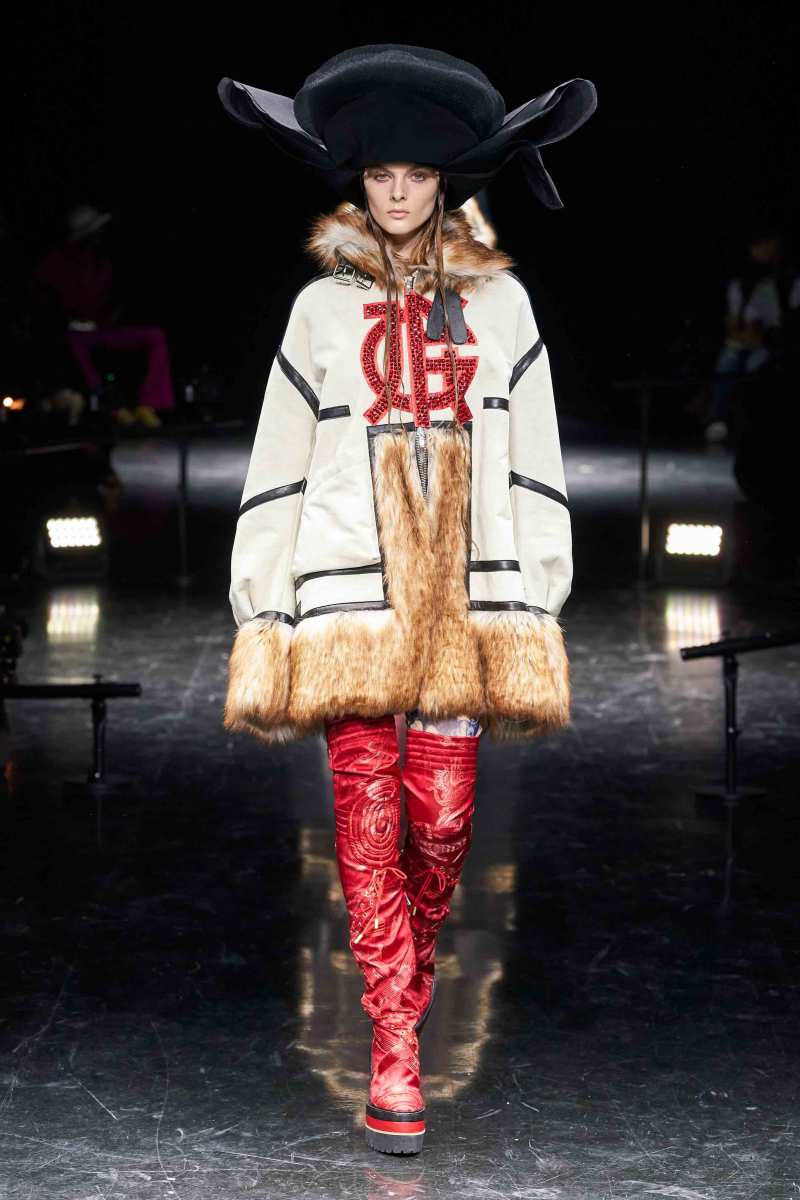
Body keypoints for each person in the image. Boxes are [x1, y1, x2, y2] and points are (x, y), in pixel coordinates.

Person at [218, 45, 597, 1155]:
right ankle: (393, 1041)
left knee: (440, 822)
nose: (394, 193)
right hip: (347, 595)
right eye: (378, 174)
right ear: (359, 181)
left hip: (470, 598)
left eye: (414, 175)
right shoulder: (318, 311)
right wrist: (265, 606)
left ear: (444, 182)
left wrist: (537, 595)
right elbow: (278, 458)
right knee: (368, 821)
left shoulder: (504, 306)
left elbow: (537, 457)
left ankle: (407, 981)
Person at [30, 204, 177, 427]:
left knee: (154, 336)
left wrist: (110, 316)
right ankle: (111, 407)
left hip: (101, 330)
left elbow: (108, 302)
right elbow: (47, 304)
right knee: (75, 348)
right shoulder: (54, 264)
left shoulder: (103, 263)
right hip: (71, 333)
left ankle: (148, 404)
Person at [706, 227, 800, 443]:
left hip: (775, 343)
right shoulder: (742, 284)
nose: (761, 251)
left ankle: (755, 423)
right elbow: (735, 322)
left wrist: (768, 338)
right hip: (746, 340)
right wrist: (741, 335)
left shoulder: (791, 282)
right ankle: (717, 417)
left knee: (756, 366)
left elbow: (791, 324)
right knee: (728, 360)